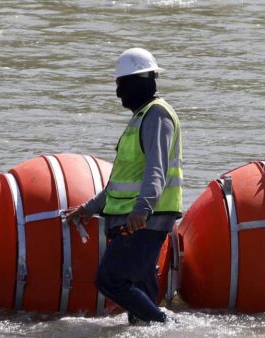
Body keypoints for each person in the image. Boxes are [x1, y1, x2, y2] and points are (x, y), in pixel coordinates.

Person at [66, 47, 183, 324]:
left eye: (121, 85)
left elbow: (157, 169)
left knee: (110, 279)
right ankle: (156, 328)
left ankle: (167, 326)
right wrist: (88, 208)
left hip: (144, 220)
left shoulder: (157, 115)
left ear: (138, 82)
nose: (118, 93)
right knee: (139, 296)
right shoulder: (140, 118)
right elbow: (119, 184)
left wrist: (142, 210)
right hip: (134, 218)